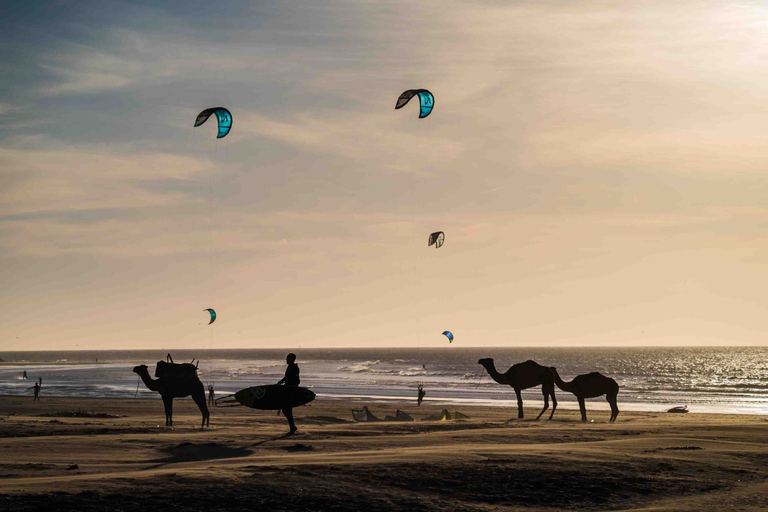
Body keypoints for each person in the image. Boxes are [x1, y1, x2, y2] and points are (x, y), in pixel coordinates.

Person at [277, 353, 300, 435]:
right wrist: (282, 381)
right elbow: (287, 377)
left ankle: (293, 427)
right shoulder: (290, 367)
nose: (286, 360)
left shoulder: (294, 368)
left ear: (292, 359)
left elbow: (297, 381)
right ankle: (292, 427)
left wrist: (291, 388)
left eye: (288, 358)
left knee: (286, 410)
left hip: (290, 392)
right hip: (287, 390)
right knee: (287, 410)